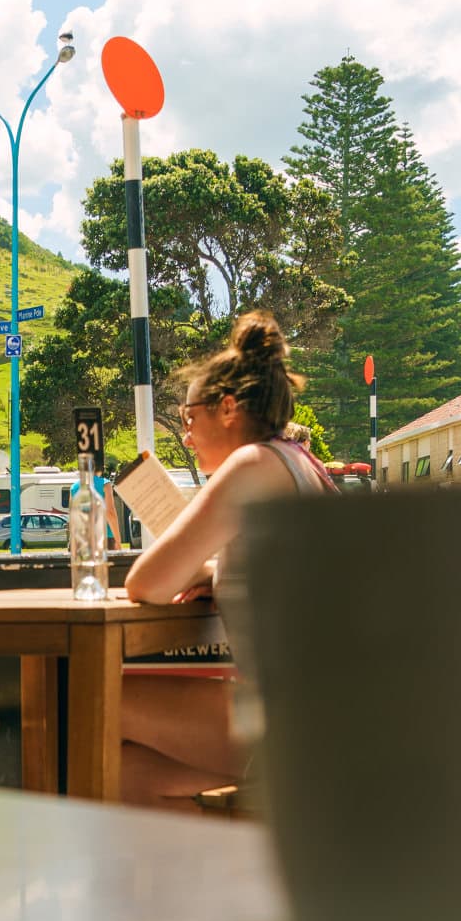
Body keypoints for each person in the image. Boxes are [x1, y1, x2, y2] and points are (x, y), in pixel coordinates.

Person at [121, 311, 335, 811]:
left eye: (189, 416)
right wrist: (219, 572)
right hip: (331, 717)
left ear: (229, 408)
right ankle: (226, 883)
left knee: (93, 698)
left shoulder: (251, 466)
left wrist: (199, 570)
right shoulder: (299, 462)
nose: (186, 433)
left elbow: (145, 585)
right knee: (128, 775)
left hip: (291, 721)